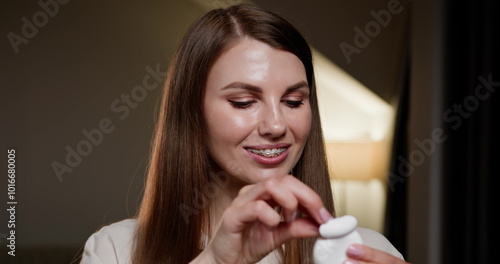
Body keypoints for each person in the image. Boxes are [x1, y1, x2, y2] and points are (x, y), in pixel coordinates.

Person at [80, 4, 408, 264]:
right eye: (244, 102)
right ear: (192, 111)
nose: (277, 126)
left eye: (294, 101)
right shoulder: (115, 250)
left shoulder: (368, 251)